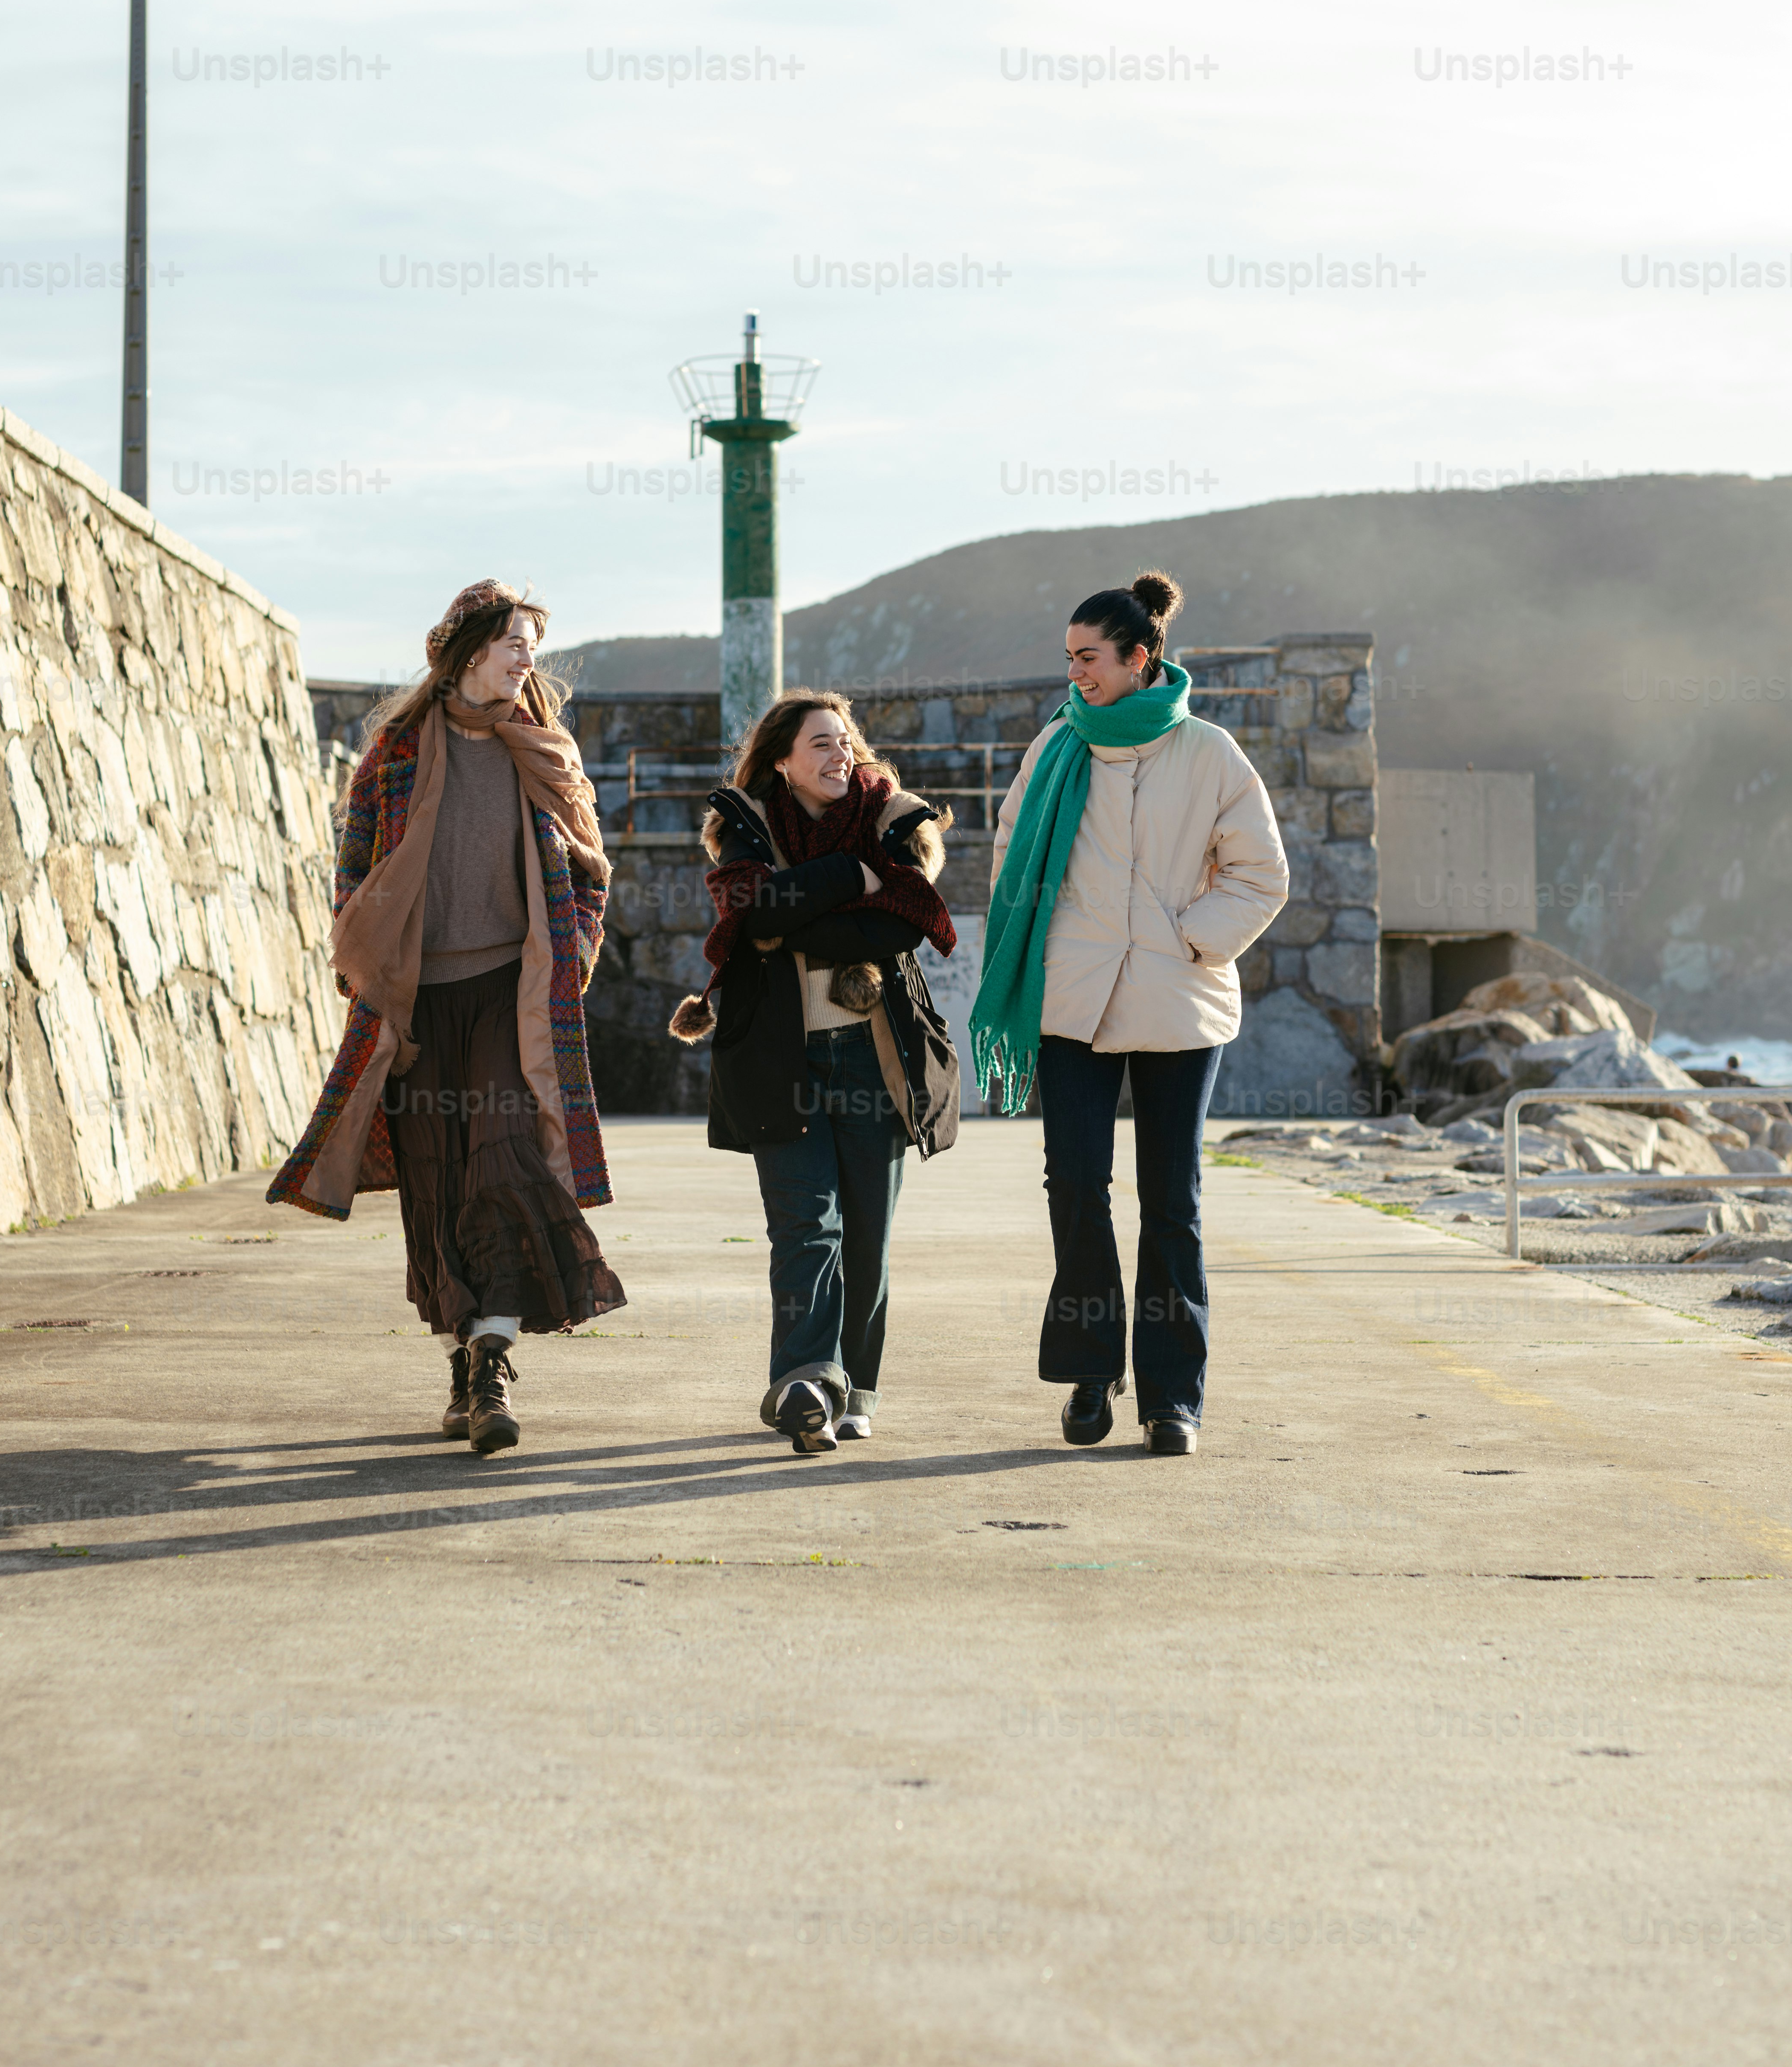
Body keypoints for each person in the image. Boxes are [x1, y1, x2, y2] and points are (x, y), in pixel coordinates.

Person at [269, 579, 624, 1452]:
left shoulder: (543, 752)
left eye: (532, 650)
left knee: (503, 1167)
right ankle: (464, 1363)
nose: (525, 661)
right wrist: (368, 956)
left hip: (513, 996)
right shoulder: (394, 753)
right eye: (513, 644)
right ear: (469, 654)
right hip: (418, 1004)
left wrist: (573, 951)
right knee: (435, 1184)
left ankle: (493, 1358)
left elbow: (588, 872)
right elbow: (353, 870)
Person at [970, 572, 1288, 1457]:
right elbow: (1010, 856)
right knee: (1074, 1187)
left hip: (1179, 1005)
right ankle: (1086, 1367)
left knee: (1170, 1201)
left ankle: (1172, 1396)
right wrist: (1048, 943)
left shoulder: (1211, 753)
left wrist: (1190, 939)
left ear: (1139, 657)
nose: (1075, 674)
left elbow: (1261, 876)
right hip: (1071, 1002)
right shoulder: (1054, 748)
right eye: (1068, 659)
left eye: (1089, 658)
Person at [669, 690, 960, 1453]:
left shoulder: (895, 819)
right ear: (781, 761)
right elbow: (755, 916)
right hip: (780, 1059)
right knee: (805, 1225)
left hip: (876, 1056)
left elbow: (903, 922)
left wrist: (803, 909)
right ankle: (805, 1380)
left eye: (844, 741)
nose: (840, 755)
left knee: (866, 1231)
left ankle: (856, 1387)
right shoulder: (745, 826)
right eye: (821, 744)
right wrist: (855, 879)